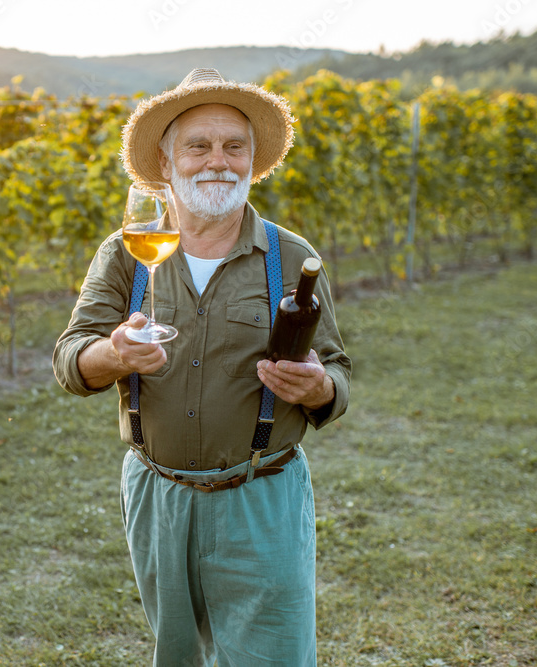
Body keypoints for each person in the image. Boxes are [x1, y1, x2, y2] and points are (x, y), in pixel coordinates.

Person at [52, 68, 351, 666]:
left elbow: (338, 376)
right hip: (157, 497)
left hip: (260, 495)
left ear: (251, 160)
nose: (218, 160)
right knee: (178, 656)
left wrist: (318, 388)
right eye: (198, 145)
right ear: (165, 163)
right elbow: (70, 358)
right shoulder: (126, 250)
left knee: (273, 658)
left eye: (233, 146)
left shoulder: (291, 256)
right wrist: (114, 353)